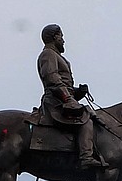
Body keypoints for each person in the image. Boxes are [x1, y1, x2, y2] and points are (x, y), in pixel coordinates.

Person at [37, 25, 99, 172]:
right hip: (55, 102)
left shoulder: (58, 56)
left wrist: (78, 93)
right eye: (61, 36)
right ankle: (86, 158)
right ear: (54, 37)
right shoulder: (48, 54)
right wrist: (68, 99)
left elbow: (64, 85)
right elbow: (52, 78)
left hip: (62, 99)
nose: (63, 40)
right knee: (85, 119)